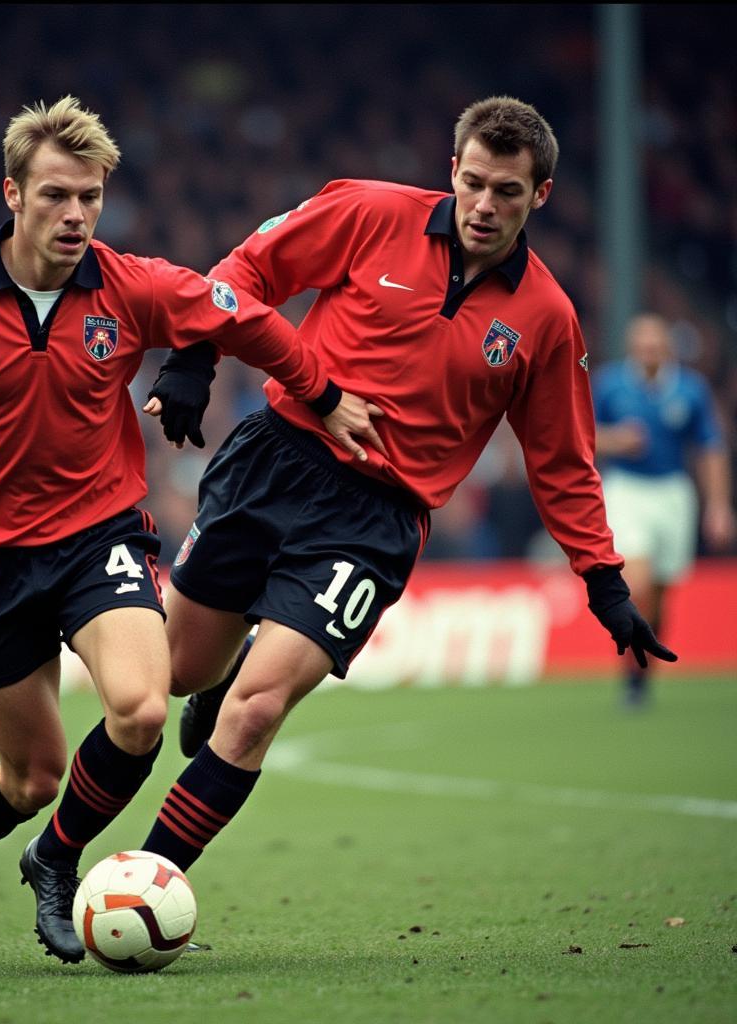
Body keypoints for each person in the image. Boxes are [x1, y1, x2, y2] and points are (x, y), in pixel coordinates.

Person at [0, 96, 379, 967]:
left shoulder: (133, 284)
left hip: (96, 537)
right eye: (54, 196)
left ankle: (56, 858)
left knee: (144, 710)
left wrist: (324, 393)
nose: (74, 215)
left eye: (90, 197)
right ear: (12, 194)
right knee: (31, 777)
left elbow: (248, 318)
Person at [138, 96, 678, 880]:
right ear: (452, 169)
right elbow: (250, 270)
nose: (487, 207)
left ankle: (146, 886)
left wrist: (602, 579)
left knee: (257, 709)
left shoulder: (548, 319)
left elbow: (562, 460)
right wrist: (193, 357)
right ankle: (204, 690)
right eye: (477, 184)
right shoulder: (367, 211)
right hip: (278, 459)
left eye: (510, 193)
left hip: (377, 520)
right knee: (176, 674)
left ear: (543, 196)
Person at [593, 312, 734, 705]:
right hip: (627, 489)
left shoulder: (689, 390)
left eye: (654, 345)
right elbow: (582, 435)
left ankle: (643, 670)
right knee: (636, 586)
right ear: (631, 348)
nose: (648, 352)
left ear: (667, 348)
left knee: (660, 593)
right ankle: (632, 674)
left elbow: (711, 448)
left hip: (672, 493)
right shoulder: (610, 385)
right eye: (641, 345)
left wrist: (719, 506)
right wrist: (616, 441)